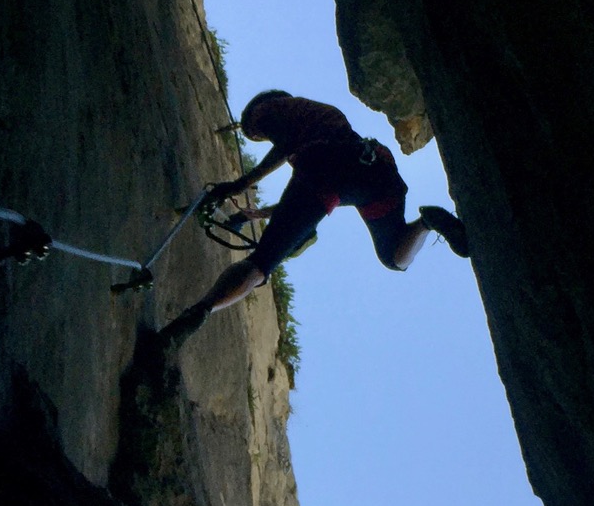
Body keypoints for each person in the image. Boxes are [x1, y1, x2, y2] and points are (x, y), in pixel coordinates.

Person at [161, 89, 470, 344]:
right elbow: (303, 202)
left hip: (328, 170)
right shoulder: (321, 117)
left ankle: (200, 312)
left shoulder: (271, 110)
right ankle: (428, 222)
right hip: (375, 174)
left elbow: (289, 149)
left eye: (256, 134)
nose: (259, 135)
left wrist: (240, 184)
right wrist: (260, 214)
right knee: (394, 257)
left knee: (262, 262)